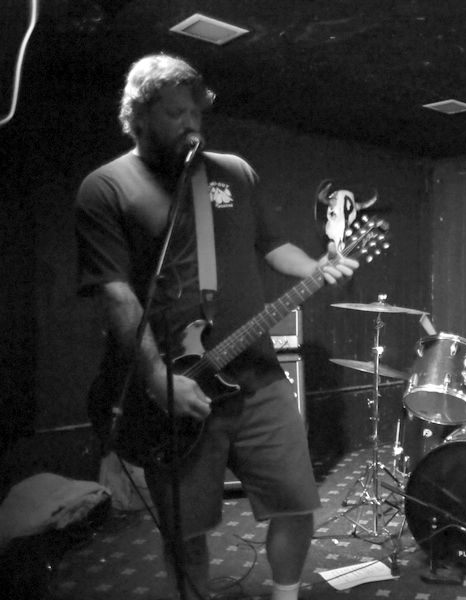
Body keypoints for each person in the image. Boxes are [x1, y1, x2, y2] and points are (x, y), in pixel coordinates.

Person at [74, 54, 358, 600]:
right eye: (175, 113)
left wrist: (315, 268)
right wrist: (156, 378)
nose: (191, 124)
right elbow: (116, 294)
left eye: (196, 111)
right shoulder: (105, 188)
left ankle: (286, 595)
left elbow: (272, 245)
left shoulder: (234, 172)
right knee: (187, 530)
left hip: (257, 375)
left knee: (297, 502)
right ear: (138, 116)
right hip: (175, 384)